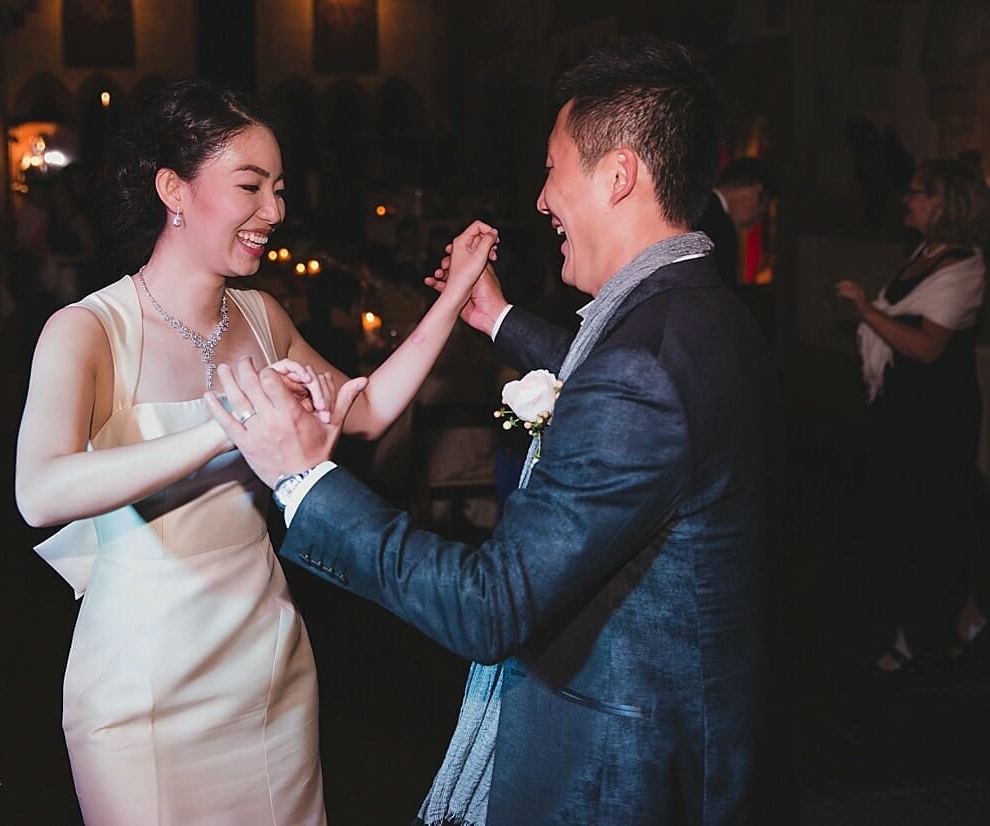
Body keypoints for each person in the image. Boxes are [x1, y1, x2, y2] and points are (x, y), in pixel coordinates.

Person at [206, 36, 788, 825]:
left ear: (618, 176)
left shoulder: (644, 368)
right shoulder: (703, 312)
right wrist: (496, 318)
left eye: (552, 169)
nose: (542, 198)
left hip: (623, 771)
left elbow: (492, 606)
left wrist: (304, 479)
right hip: (698, 738)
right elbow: (618, 384)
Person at [14, 79, 495, 826]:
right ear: (173, 188)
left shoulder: (262, 317)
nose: (274, 212)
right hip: (141, 683)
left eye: (277, 188)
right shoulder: (88, 331)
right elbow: (39, 492)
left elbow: (361, 411)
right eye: (250, 186)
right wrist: (224, 430)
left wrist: (454, 296)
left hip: (266, 664)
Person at [835, 157, 990, 673]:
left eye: (918, 191)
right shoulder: (928, 253)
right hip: (908, 413)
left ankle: (926, 641)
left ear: (942, 202)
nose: (907, 198)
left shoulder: (965, 264)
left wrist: (866, 311)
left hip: (938, 417)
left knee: (929, 525)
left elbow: (927, 347)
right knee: (908, 521)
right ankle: (954, 621)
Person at [694, 156, 775, 286]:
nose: (752, 226)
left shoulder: (693, 206)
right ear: (753, 194)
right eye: (759, 214)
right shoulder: (722, 227)